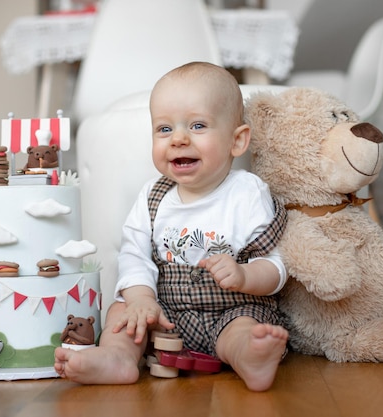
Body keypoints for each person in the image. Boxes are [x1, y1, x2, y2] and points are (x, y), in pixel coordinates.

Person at [54, 62, 288, 392]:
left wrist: (246, 276)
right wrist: (141, 299)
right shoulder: (154, 196)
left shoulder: (247, 193)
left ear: (237, 141)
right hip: (165, 315)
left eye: (197, 125)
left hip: (233, 307)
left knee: (244, 329)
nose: (178, 139)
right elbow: (134, 257)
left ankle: (249, 356)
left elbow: (277, 264)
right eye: (164, 129)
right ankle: (118, 358)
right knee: (123, 311)